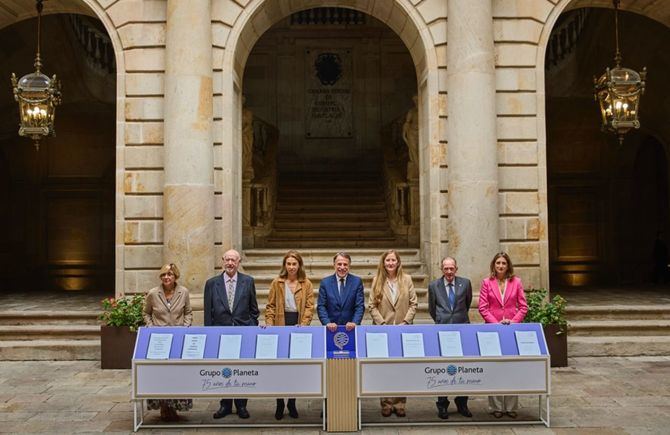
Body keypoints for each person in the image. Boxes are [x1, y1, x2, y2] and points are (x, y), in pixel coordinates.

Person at [204, 249, 259, 420]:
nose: (230, 263)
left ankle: (241, 405)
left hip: (243, 333)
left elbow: (254, 310)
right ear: (222, 261)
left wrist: (250, 326)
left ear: (238, 262)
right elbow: (208, 312)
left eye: (233, 260)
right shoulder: (212, 283)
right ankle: (225, 405)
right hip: (220, 334)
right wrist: (210, 334)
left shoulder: (248, 281)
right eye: (227, 260)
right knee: (224, 369)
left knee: (242, 369)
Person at [264, 250, 315, 420]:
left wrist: (304, 324)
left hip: (298, 324)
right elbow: (270, 306)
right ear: (284, 265)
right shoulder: (277, 283)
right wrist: (270, 325)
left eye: (294, 264)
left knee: (295, 366)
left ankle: (292, 402)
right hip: (280, 324)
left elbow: (309, 306)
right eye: (289, 264)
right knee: (279, 366)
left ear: (299, 265)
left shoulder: (306, 283)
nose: (291, 267)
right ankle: (279, 402)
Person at [478, 252, 528, 419]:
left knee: (511, 367)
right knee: (494, 368)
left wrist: (513, 323)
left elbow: (523, 307)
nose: (500, 266)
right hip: (493, 330)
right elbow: (483, 307)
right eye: (498, 263)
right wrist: (496, 324)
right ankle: (496, 407)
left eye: (503, 263)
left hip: (512, 330)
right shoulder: (487, 282)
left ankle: (511, 406)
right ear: (494, 265)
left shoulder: (516, 282)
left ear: (508, 266)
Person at [368, 250, 418, 417]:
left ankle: (400, 403)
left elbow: (413, 303)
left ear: (398, 262)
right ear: (383, 263)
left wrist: (405, 322)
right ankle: (386, 403)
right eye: (387, 260)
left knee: (401, 367)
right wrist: (382, 324)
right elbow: (372, 306)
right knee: (384, 367)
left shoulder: (407, 280)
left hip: (402, 330)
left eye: (393, 260)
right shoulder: (377, 281)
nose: (390, 263)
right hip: (383, 330)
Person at [142, 263, 193, 421]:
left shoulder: (183, 292)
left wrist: (184, 328)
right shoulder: (153, 293)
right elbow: (146, 313)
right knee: (161, 374)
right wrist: (152, 329)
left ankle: (175, 407)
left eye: (169, 274)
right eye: (163, 275)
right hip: (160, 341)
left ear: (175, 276)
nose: (166, 277)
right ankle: (164, 406)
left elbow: (188, 313)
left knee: (177, 374)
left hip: (178, 339)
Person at [427, 256, 473, 420]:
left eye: (451, 268)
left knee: (463, 367)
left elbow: (467, 304)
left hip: (462, 330)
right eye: (446, 268)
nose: (449, 272)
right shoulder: (434, 286)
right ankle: (442, 404)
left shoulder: (465, 283)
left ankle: (462, 403)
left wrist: (457, 319)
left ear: (456, 268)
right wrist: (442, 321)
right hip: (442, 331)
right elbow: (432, 308)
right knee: (442, 367)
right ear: (442, 269)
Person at [317, 252, 365, 332]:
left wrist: (354, 322)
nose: (342, 267)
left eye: (345, 264)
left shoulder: (357, 282)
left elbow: (359, 306)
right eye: (339, 264)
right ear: (334, 265)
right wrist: (327, 323)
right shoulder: (325, 283)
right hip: (331, 329)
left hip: (351, 329)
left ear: (349, 266)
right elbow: (321, 306)